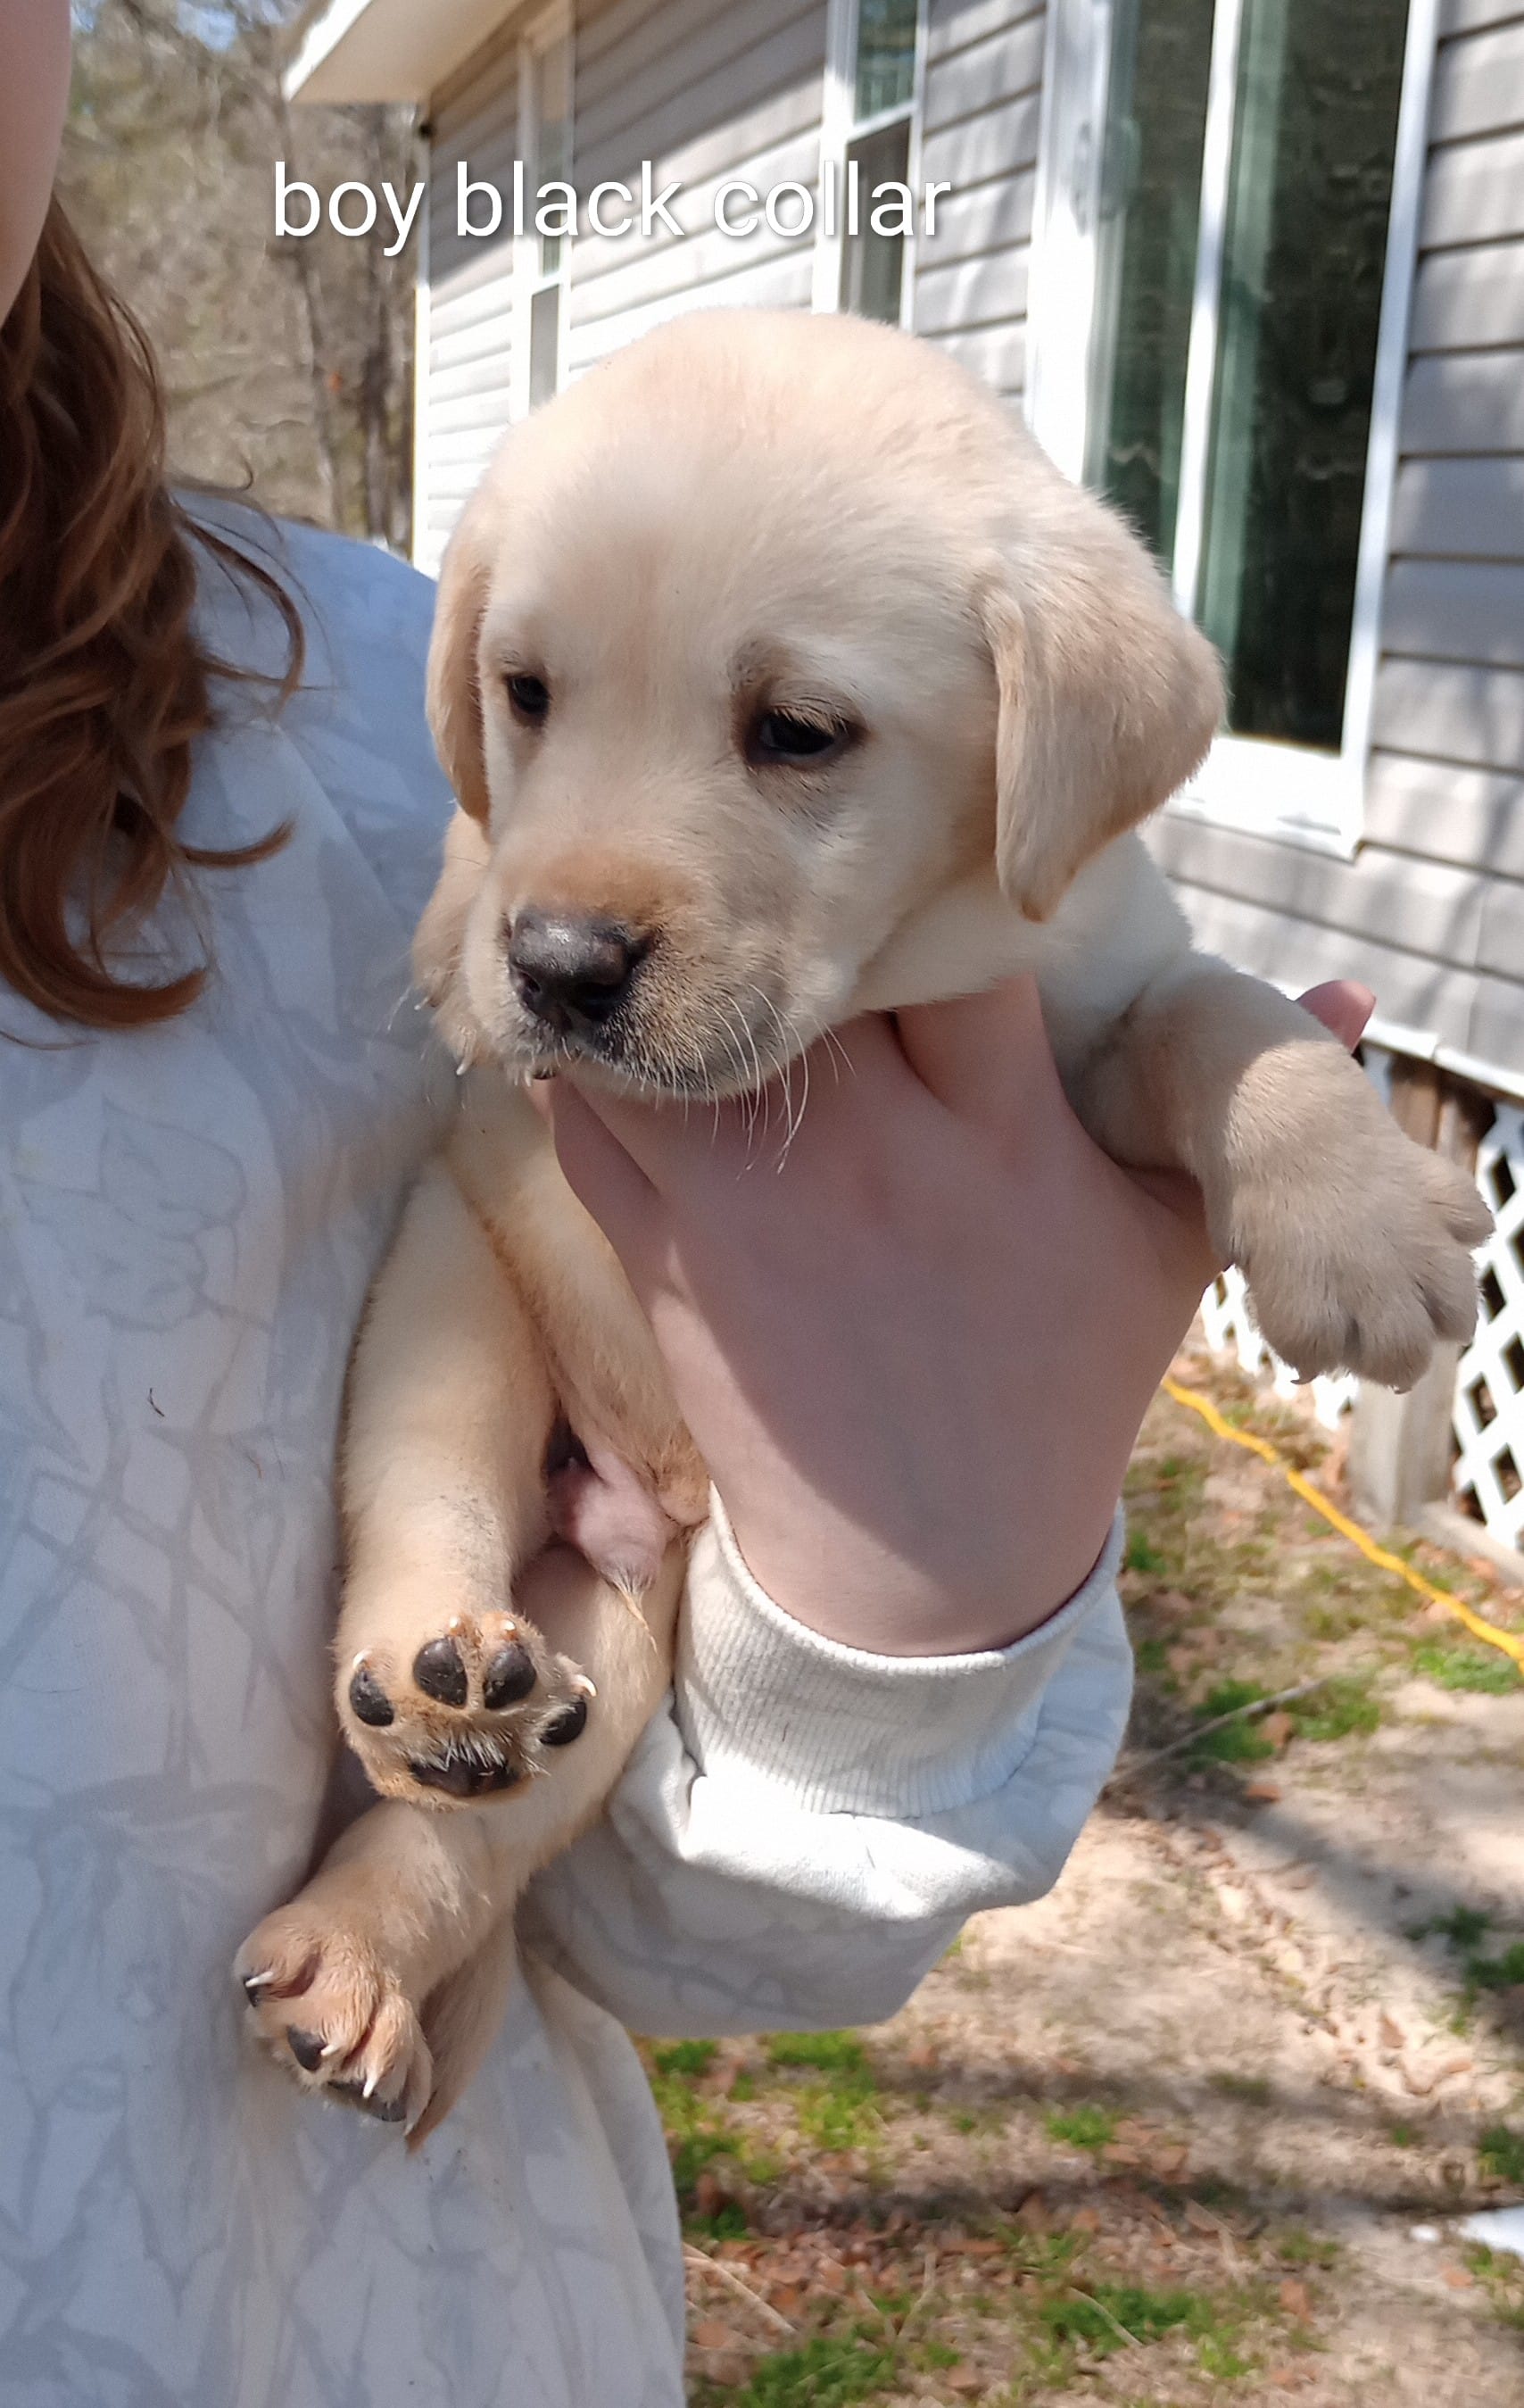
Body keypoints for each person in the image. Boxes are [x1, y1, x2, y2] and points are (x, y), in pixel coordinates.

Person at [0, 10, 1373, 2402]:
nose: (562, 890)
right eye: (527, 706)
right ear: (485, 683)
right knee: (492, 1566)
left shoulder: (327, 730)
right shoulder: (441, 764)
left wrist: (918, 1582)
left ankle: (426, 1776)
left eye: (796, 732)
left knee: (576, 1648)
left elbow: (721, 1925)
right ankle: (409, 1765)